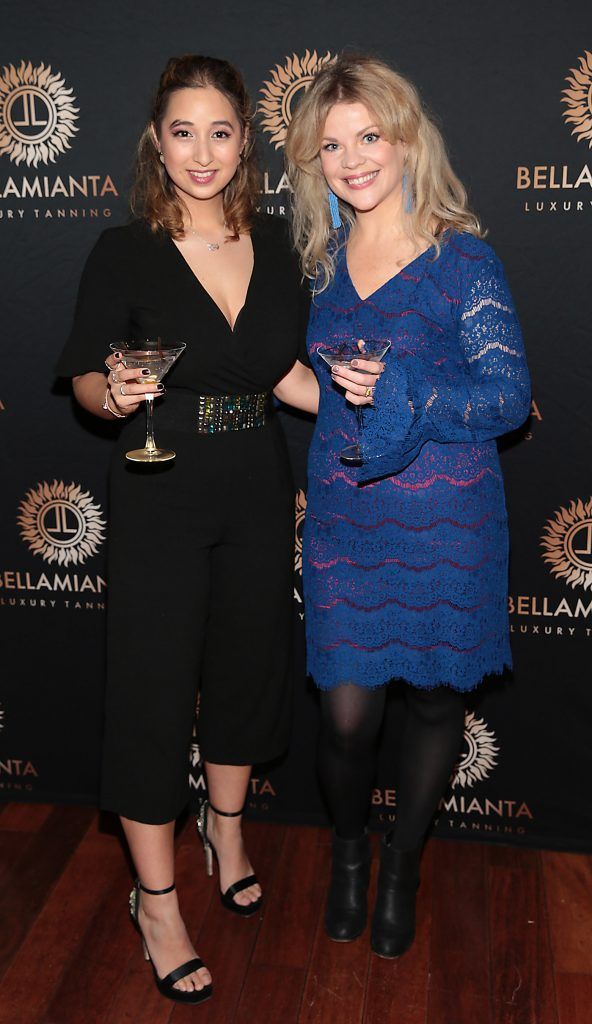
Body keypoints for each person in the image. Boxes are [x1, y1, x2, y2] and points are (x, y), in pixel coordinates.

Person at [56, 55, 317, 1004]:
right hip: (160, 480)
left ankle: (228, 828)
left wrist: (412, 402)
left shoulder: (283, 242)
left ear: (245, 140)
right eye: (181, 132)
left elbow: (287, 378)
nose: (202, 151)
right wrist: (114, 391)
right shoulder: (123, 249)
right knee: (154, 684)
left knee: (252, 663)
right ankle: (156, 900)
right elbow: (88, 377)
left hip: (256, 477)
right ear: (156, 144)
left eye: (220, 131)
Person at [285, 54, 530, 958]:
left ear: (404, 139)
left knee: (432, 705)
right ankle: (350, 851)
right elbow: (299, 381)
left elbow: (507, 397)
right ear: (313, 161)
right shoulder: (313, 267)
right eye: (332, 145)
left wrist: (406, 389)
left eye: (369, 137)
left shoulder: (462, 258)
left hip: (448, 522)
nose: (352, 160)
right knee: (347, 716)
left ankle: (401, 867)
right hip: (348, 519)